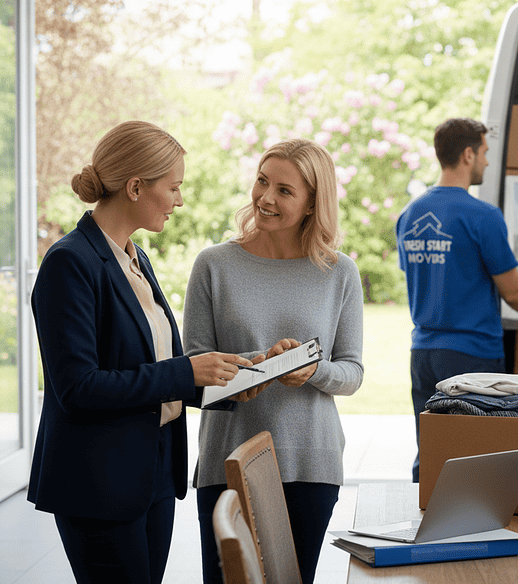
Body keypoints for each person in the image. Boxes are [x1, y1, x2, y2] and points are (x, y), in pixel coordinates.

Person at [28, 120, 259, 584]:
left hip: (150, 472)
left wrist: (236, 378)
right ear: (136, 187)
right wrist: (185, 371)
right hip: (99, 481)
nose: (180, 200)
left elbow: (154, 369)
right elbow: (77, 387)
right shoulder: (69, 263)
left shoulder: (134, 257)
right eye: (173, 187)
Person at [184, 138, 364, 584]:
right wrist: (259, 362)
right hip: (227, 457)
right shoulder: (214, 265)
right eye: (263, 182)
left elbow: (352, 372)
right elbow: (192, 366)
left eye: (284, 190)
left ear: (311, 204)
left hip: (311, 461)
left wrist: (312, 370)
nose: (265, 197)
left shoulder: (339, 272)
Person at [396, 117, 518, 482]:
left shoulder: (410, 215)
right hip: (471, 355)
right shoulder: (482, 215)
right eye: (485, 153)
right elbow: (514, 291)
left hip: (424, 353)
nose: (487, 162)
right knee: (476, 459)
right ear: (467, 154)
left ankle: (421, 527)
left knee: (431, 451)